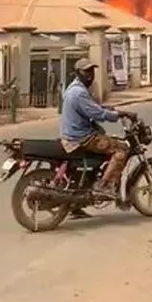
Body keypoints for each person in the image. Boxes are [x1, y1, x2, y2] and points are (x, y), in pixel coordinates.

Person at [60, 58, 136, 198]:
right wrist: (119, 114)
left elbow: (93, 107)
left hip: (73, 134)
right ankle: (104, 185)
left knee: (108, 140)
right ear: (77, 73)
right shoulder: (79, 93)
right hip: (82, 138)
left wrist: (110, 109)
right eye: (86, 71)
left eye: (92, 71)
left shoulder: (75, 88)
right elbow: (97, 114)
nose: (90, 74)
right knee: (122, 148)